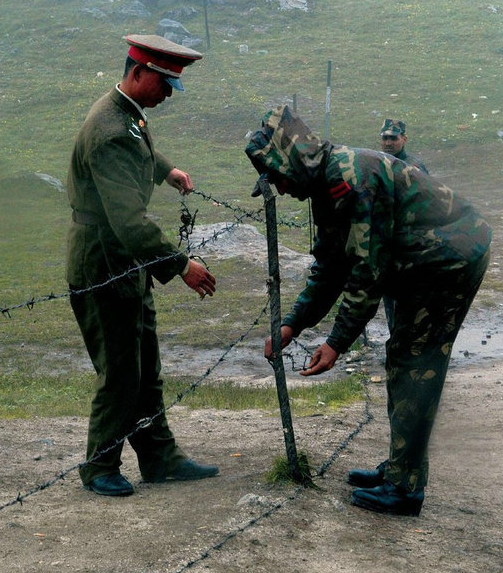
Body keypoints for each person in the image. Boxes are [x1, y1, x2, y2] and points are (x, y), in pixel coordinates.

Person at [245, 105, 491, 516]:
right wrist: (293, 324)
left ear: (292, 164)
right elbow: (329, 267)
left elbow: (366, 271)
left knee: (415, 363)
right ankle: (400, 467)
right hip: (421, 261)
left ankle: (406, 488)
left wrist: (336, 343)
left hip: (451, 258)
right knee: (403, 358)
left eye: (278, 178)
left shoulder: (352, 179)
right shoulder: (326, 184)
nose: (280, 190)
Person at [66, 34, 218, 497]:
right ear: (138, 72)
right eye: (164, 81)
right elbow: (129, 224)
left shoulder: (127, 115)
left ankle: (159, 457)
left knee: (145, 363)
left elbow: (138, 149)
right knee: (120, 369)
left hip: (122, 261)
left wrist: (165, 169)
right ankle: (99, 466)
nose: (169, 92)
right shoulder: (110, 129)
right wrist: (181, 265)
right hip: (103, 261)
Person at [379, 118, 428, 330]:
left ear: (404, 139)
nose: (389, 142)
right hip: (387, 241)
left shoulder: (415, 167)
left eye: (393, 138)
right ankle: (396, 342)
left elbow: (426, 203)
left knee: (413, 297)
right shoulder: (378, 163)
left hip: (411, 242)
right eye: (385, 138)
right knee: (389, 296)